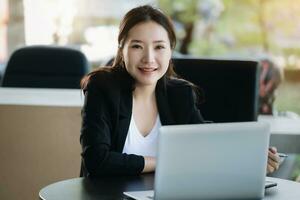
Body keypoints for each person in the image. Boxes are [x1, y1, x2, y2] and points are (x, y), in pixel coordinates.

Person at [80, 5, 280, 177]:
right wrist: (166, 162)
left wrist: (250, 156)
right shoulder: (102, 87)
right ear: (122, 49)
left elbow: (206, 142)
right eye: (137, 46)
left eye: (159, 47)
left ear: (170, 50)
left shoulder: (179, 93)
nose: (149, 58)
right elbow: (97, 161)